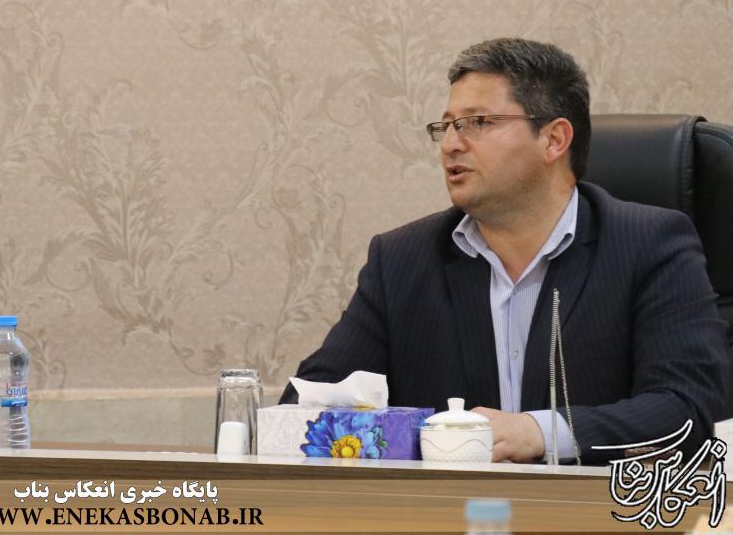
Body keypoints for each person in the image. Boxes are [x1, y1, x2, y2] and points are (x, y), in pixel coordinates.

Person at [281, 37, 727, 464]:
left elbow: (685, 409)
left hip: (594, 506)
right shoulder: (402, 259)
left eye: (478, 122)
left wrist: (540, 432)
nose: (451, 144)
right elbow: (303, 408)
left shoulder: (648, 244)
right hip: (445, 507)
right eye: (447, 126)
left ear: (554, 140)